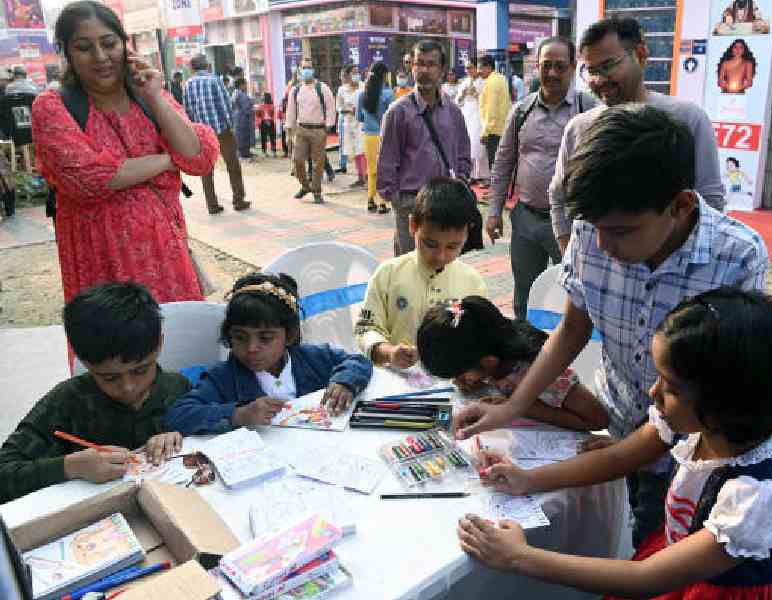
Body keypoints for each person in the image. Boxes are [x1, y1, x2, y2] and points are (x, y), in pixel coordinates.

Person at [455, 104, 769, 550]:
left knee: (657, 547)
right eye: (595, 228)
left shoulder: (737, 257)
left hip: (693, 455)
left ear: (679, 205)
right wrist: (511, 407)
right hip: (618, 426)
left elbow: (713, 400)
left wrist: (624, 457)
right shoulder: (592, 233)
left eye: (621, 231)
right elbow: (571, 330)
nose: (603, 244)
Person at [460, 289, 772, 600]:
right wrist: (528, 479)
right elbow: (620, 456)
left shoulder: (761, 498)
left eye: (670, 386)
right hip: (681, 562)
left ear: (724, 399)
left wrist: (520, 558)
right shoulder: (703, 422)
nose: (653, 393)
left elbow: (646, 578)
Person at [32, 1, 218, 306]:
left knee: (177, 343)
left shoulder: (149, 97)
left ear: (125, 45)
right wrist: (169, 160)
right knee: (117, 349)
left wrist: (154, 97)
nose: (101, 57)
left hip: (169, 256)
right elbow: (88, 179)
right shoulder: (53, 107)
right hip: (102, 263)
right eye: (84, 47)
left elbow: (199, 157)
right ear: (65, 51)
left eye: (109, 43)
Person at [0, 283, 191, 504]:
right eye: (110, 377)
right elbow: (4, 472)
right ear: (84, 361)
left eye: (140, 370)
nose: (128, 387)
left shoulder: (178, 388)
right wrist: (70, 467)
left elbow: (217, 433)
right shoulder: (67, 401)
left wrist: (179, 437)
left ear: (159, 344)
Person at [551, 17, 726, 253]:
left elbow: (709, 201)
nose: (598, 80)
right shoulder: (579, 128)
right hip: (602, 272)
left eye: (608, 65)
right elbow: (559, 195)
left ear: (641, 55)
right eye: (591, 70)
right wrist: (568, 248)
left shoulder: (688, 119)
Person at [165, 273, 373, 435]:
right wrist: (238, 414)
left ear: (289, 336)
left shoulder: (311, 358)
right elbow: (178, 416)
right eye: (240, 337)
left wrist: (345, 382)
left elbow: (358, 360)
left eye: (265, 338)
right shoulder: (222, 378)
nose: (251, 348)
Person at [486, 37, 596, 320]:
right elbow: (503, 163)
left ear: (573, 68)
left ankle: (570, 355)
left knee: (574, 294)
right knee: (525, 291)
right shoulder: (521, 111)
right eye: (546, 65)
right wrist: (494, 211)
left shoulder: (589, 110)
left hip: (573, 223)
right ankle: (526, 354)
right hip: (525, 219)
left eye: (560, 66)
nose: (552, 73)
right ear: (537, 67)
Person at [418, 296, 606, 431]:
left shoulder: (542, 372)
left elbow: (598, 420)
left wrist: (525, 408)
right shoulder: (492, 347)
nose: (457, 381)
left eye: (459, 374)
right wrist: (477, 381)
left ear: (488, 361)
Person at [354, 177, 486, 368]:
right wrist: (388, 352)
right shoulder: (389, 274)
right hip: (394, 380)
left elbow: (479, 339)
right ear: (413, 226)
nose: (440, 256)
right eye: (430, 244)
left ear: (467, 233)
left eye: (452, 246)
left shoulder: (473, 283)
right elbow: (366, 328)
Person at [377, 40, 471, 256]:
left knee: (443, 268)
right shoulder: (398, 112)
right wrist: (398, 201)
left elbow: (463, 153)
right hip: (412, 203)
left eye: (431, 64)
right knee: (409, 269)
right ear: (412, 67)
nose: (424, 70)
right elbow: (387, 162)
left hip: (447, 203)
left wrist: (462, 180)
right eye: (419, 64)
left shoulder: (453, 111)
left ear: (442, 69)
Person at [183, 53, 251, 215]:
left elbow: (188, 110)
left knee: (206, 168)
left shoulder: (188, 84)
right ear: (206, 65)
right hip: (221, 130)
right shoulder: (214, 80)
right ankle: (238, 200)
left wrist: (195, 129)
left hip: (202, 133)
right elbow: (225, 104)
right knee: (232, 165)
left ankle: (212, 205)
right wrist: (230, 126)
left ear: (193, 67)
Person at [285, 58, 336, 205]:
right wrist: (289, 132)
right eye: (304, 67)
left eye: (309, 67)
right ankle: (305, 186)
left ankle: (317, 191)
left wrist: (328, 125)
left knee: (318, 163)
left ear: (313, 70)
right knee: (298, 160)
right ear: (300, 70)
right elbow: (291, 112)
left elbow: (330, 107)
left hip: (318, 130)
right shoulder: (295, 90)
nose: (307, 70)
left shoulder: (322, 88)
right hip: (301, 130)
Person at [357, 61, 393, 214]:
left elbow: (359, 117)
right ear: (384, 75)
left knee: (371, 170)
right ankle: (383, 203)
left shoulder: (362, 94)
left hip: (368, 136)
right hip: (384, 136)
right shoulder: (388, 94)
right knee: (384, 170)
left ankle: (370, 200)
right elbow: (392, 116)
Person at [457, 61, 489, 182]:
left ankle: (481, 174)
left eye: (470, 67)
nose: (468, 70)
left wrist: (476, 94)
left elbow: (487, 101)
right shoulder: (464, 82)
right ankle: (469, 173)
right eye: (466, 68)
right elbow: (458, 101)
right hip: (467, 114)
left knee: (478, 145)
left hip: (479, 115)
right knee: (467, 143)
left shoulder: (484, 82)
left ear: (476, 68)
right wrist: (463, 95)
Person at [478, 55, 511, 170]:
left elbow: (491, 109)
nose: (479, 71)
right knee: (500, 165)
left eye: (480, 68)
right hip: (502, 128)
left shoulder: (492, 82)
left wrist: (485, 132)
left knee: (494, 165)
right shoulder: (501, 79)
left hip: (494, 131)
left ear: (488, 67)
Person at [336, 64, 366, 188]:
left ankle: (367, 176)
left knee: (363, 149)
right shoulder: (342, 90)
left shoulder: (364, 87)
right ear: (347, 75)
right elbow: (339, 107)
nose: (356, 75)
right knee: (354, 151)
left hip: (362, 123)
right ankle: (360, 177)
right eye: (353, 72)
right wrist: (348, 111)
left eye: (357, 72)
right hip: (348, 123)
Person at [232, 77, 255, 159]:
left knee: (239, 135)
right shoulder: (241, 94)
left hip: (237, 117)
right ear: (241, 85)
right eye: (245, 84)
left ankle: (243, 152)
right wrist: (252, 106)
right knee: (244, 135)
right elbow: (246, 108)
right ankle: (244, 153)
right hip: (243, 118)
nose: (246, 86)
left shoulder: (235, 93)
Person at [256, 91, 276, 157]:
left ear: (266, 97)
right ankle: (264, 151)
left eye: (263, 96)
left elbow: (273, 114)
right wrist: (260, 122)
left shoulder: (271, 105)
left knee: (272, 137)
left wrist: (269, 120)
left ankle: (273, 151)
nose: (262, 97)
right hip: (263, 122)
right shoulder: (260, 105)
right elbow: (258, 115)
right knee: (264, 138)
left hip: (270, 122)